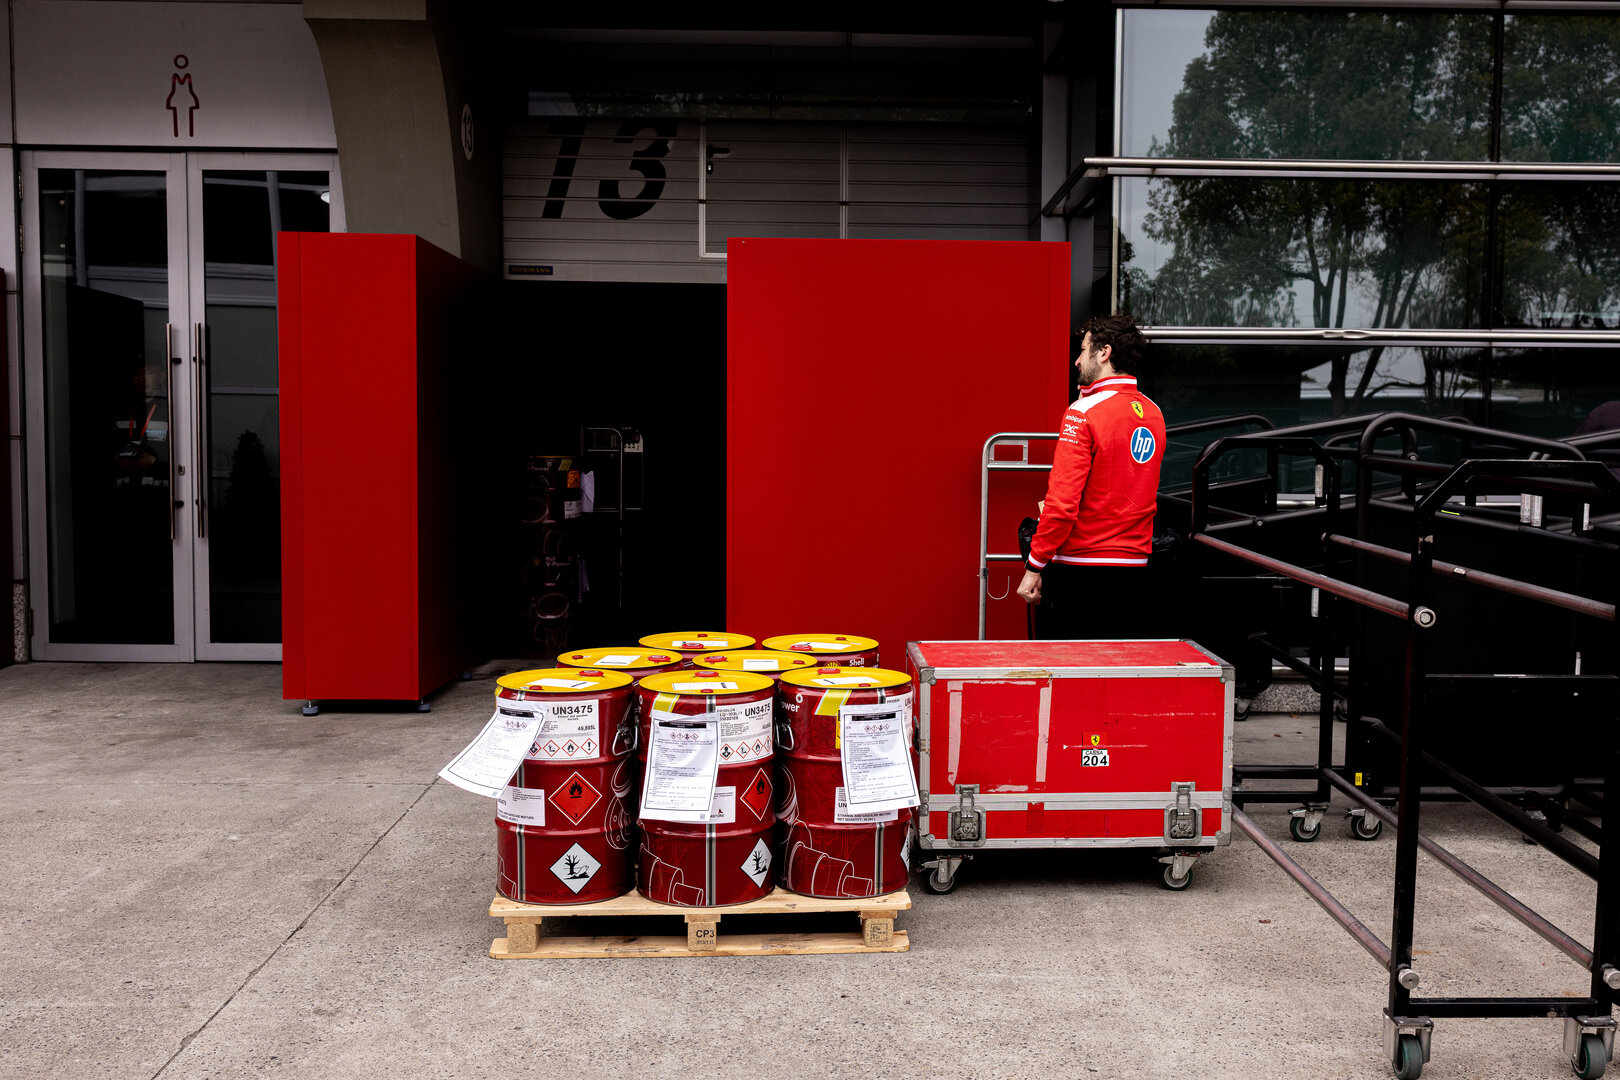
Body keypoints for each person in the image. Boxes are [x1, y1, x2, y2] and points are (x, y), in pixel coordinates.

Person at [1016, 314, 1165, 639]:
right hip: (1137, 570)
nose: (1077, 360)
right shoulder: (1154, 413)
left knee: (1071, 678)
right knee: (1118, 676)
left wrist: (1035, 566)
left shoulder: (1083, 413)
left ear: (1104, 353)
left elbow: (1062, 504)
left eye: (1083, 349)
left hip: (1082, 571)